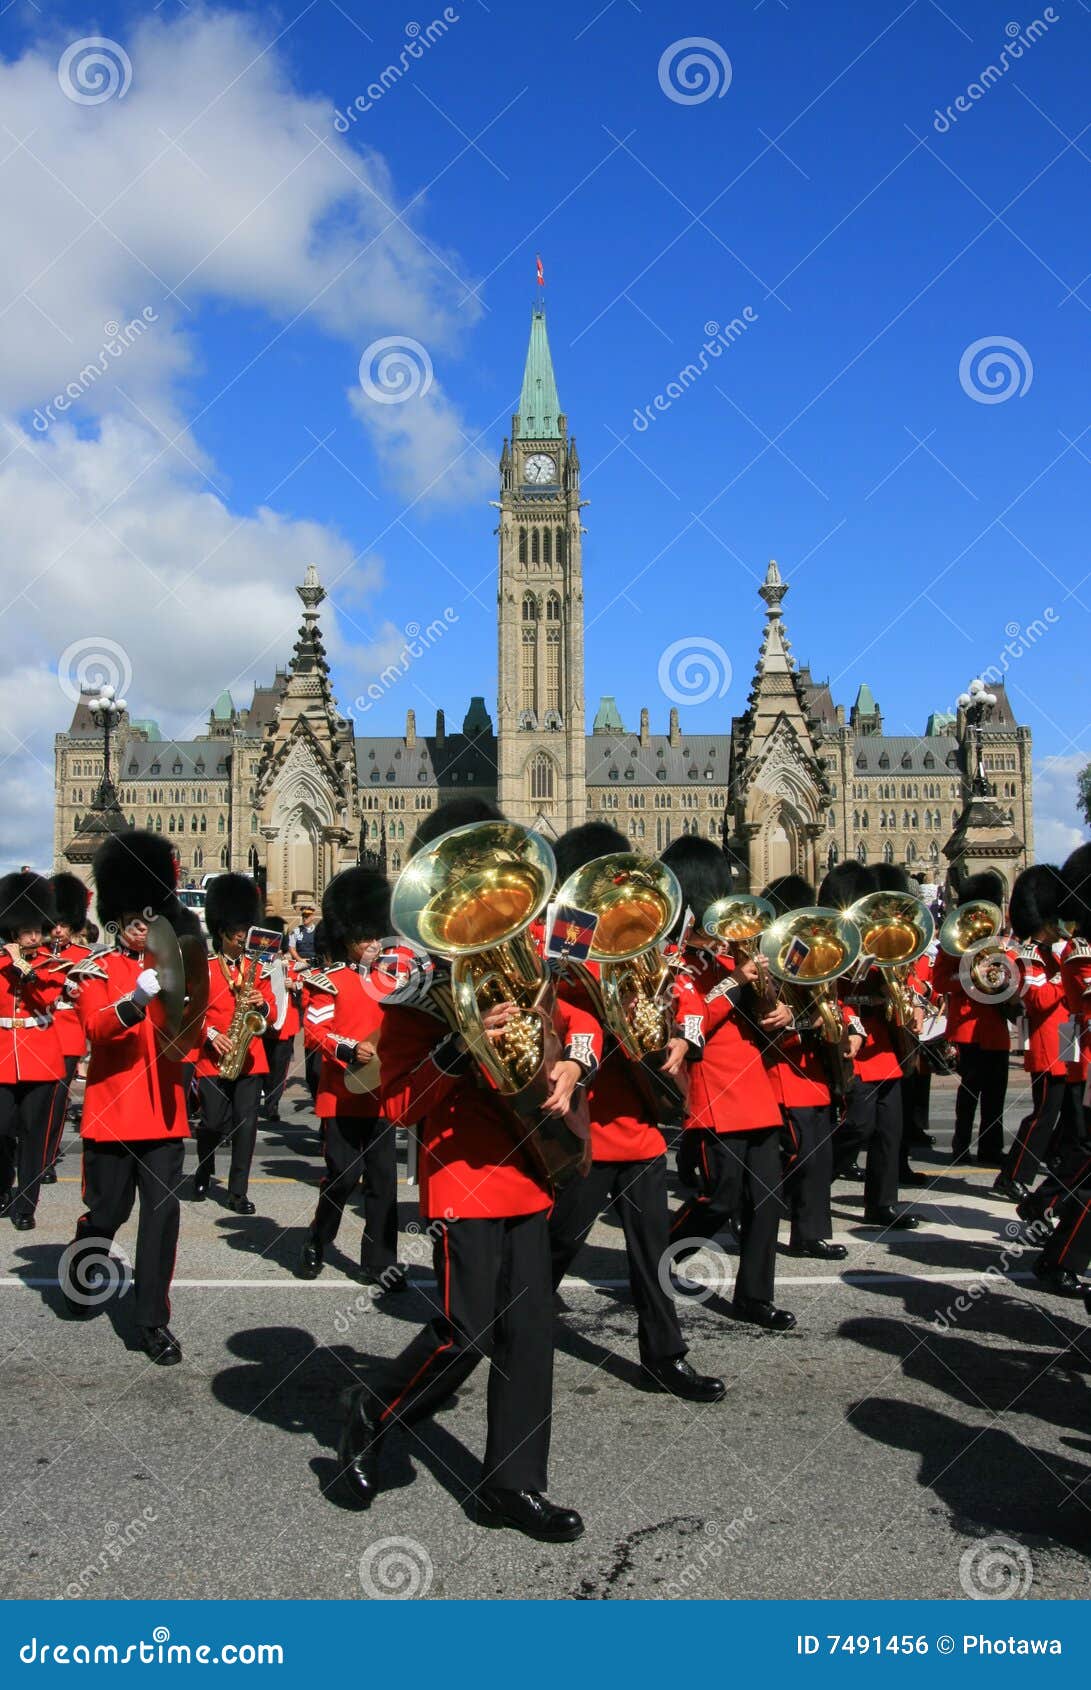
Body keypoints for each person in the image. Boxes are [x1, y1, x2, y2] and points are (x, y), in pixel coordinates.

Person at [336, 810, 601, 1542]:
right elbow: (396, 1104)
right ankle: (374, 1411)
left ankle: (511, 1484)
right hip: (462, 1174)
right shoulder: (416, 990)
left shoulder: (529, 961)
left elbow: (583, 1018)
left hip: (529, 1166)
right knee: (466, 1329)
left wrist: (576, 1060)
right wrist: (461, 1048)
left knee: (530, 1333)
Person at [547, 822, 724, 1401]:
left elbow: (685, 995)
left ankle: (664, 1357)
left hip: (641, 1125)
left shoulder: (642, 933)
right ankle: (513, 1317)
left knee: (653, 1252)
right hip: (590, 1120)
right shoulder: (568, 935)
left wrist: (684, 1038)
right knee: (560, 1242)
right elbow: (557, 1007)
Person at [65, 832, 196, 1364]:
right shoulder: (97, 970)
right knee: (108, 1210)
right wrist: (134, 999)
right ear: (119, 921)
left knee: (162, 1217)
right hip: (114, 1111)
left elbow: (191, 1032)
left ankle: (150, 1322)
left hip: (164, 1114)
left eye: (152, 918)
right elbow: (96, 1028)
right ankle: (83, 1264)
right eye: (137, 921)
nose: (145, 929)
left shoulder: (178, 972)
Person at [662, 837, 795, 1330]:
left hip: (755, 1092)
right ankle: (661, 1252)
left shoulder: (724, 960)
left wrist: (777, 1008)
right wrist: (737, 981)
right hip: (714, 1090)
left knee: (766, 1201)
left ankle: (755, 1296)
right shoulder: (675, 965)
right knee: (719, 1197)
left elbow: (756, 1017)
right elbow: (692, 1025)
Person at [296, 867, 403, 1288]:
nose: (374, 946)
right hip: (341, 1093)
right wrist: (348, 1049)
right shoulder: (330, 982)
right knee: (342, 1176)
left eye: (377, 937)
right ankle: (317, 1240)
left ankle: (380, 1262)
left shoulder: (392, 983)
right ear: (348, 940)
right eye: (365, 938)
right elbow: (316, 1031)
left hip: (379, 1096)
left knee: (382, 1183)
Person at [760, 874, 848, 1262]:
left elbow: (832, 999)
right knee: (797, 1155)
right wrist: (797, 1015)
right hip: (785, 1070)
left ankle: (810, 1233)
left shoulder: (812, 952)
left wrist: (845, 1024)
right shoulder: (771, 959)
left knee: (819, 1156)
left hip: (815, 1073)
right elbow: (767, 1013)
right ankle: (757, 1212)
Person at [193, 874, 274, 1214]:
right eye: (237, 932)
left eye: (246, 931)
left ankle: (238, 1191)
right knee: (212, 1122)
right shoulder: (205, 968)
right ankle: (204, 1168)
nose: (243, 937)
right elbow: (189, 1013)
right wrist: (211, 1034)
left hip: (250, 1056)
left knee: (246, 1124)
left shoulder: (258, 968)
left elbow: (272, 1011)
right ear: (222, 930)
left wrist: (260, 1003)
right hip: (214, 1055)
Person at [994, 865, 1069, 1204]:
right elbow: (1038, 999)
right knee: (1042, 1114)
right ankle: (1013, 1176)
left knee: (1062, 1111)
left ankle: (1053, 1162)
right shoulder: (1029, 957)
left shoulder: (1053, 956)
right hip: (1046, 1044)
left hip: (1066, 1042)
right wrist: (1065, 979)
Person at [932, 872, 1012, 1166]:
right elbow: (940, 981)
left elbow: (1013, 980)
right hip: (968, 1028)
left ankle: (991, 1149)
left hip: (995, 1026)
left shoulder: (1001, 945)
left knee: (996, 1096)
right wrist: (971, 975)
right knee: (969, 1094)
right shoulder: (954, 946)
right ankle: (961, 1146)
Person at [0, 873, 65, 1228]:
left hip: (40, 1058)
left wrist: (21, 965)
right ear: (12, 932)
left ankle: (26, 1205)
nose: (34, 936)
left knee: (34, 1137)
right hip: (2, 1059)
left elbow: (46, 996)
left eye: (37, 929)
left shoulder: (51, 966)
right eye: (26, 931)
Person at [41, 872, 93, 1185]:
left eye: (63, 924)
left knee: (57, 1100)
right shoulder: (36, 955)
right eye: (54, 924)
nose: (57, 930)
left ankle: (46, 1158)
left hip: (68, 1033)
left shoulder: (84, 958)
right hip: (39, 1032)